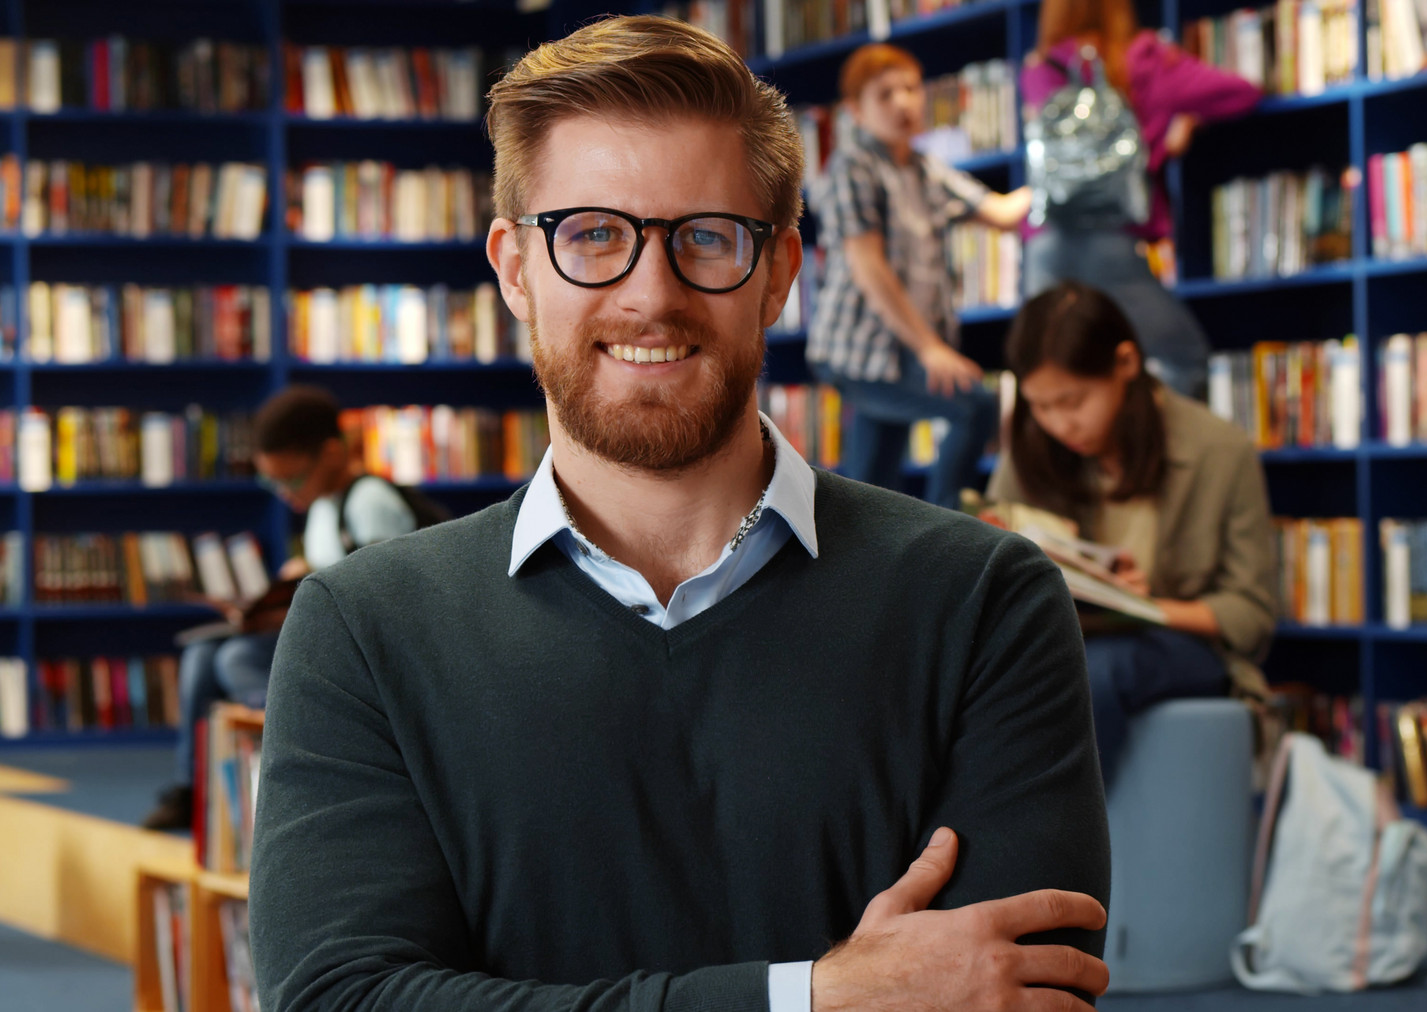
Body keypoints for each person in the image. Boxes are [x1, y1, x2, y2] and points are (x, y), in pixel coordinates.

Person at [251, 16, 1111, 1012]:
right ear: (514, 267)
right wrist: (809, 998)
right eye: (591, 235)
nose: (649, 295)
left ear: (780, 269)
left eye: (706, 237)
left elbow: (1022, 994)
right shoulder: (361, 630)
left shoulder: (983, 605)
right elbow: (339, 1000)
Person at [989, 281, 1276, 783]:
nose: (1059, 423)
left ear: (1125, 363)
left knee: (1095, 671)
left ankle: (1057, 840)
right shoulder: (1031, 452)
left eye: (1073, 400)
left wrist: (1145, 607)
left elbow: (1251, 613)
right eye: (1041, 405)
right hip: (1062, 639)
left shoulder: (1218, 451)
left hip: (1178, 649)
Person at [140, 384, 418, 831]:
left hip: (357, 650)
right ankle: (192, 789)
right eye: (273, 483)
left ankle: (294, 761)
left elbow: (387, 596)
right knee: (201, 658)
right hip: (321, 633)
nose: (285, 494)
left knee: (236, 659)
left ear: (331, 453)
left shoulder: (369, 502)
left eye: (291, 480)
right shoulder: (322, 507)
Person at [807, 43, 1033, 509]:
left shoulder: (927, 169)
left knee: (871, 489)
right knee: (975, 406)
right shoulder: (854, 164)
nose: (903, 103)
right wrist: (931, 348)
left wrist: (1065, 160)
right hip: (860, 351)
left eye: (910, 89)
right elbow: (867, 265)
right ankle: (951, 530)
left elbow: (1003, 212)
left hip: (900, 352)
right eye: (885, 94)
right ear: (856, 110)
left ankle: (860, 565)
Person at [1022, 0, 1261, 398]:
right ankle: (1155, 456)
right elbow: (1240, 92)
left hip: (1046, 239)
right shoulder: (1144, 58)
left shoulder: (1041, 67)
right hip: (1109, 238)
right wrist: (1180, 121)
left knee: (1054, 374)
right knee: (1183, 358)